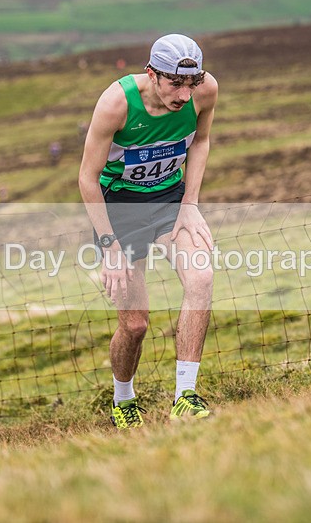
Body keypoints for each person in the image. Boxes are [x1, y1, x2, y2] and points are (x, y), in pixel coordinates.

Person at [78, 34, 218, 429]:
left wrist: (190, 204)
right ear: (151, 74)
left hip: (169, 200)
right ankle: (123, 401)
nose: (184, 94)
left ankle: (185, 397)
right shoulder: (116, 103)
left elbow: (201, 141)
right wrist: (109, 247)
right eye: (175, 82)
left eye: (191, 83)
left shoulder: (205, 92)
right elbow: (87, 180)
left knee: (201, 276)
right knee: (135, 324)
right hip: (118, 209)